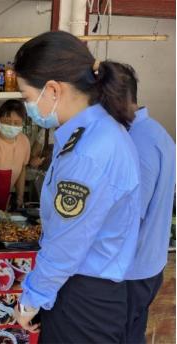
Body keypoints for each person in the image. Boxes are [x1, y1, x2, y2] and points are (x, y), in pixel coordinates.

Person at [12, 31, 141, 343]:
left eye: (28, 98)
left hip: (84, 298)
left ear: (53, 90)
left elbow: (66, 243)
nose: (29, 108)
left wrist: (31, 299)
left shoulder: (88, 152)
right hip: (87, 291)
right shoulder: (92, 133)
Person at [118, 63, 176, 344]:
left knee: (123, 335)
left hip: (132, 268)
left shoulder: (138, 143)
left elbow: (129, 217)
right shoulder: (157, 133)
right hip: (149, 262)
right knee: (133, 332)